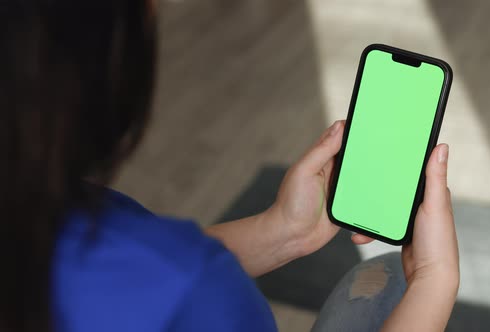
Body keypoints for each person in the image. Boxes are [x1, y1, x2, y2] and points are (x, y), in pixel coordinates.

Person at [0, 1, 459, 332]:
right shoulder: (195, 296)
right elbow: (158, 277)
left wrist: (283, 231)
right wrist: (434, 281)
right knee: (394, 282)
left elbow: (140, 271)